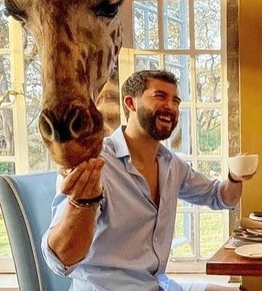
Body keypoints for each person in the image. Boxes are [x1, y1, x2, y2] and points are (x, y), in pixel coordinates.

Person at [41, 70, 249, 291]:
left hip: (156, 285)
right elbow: (61, 260)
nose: (171, 106)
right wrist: (82, 204)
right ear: (130, 103)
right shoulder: (96, 164)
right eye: (160, 96)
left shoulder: (171, 165)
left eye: (175, 100)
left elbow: (220, 197)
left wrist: (234, 176)